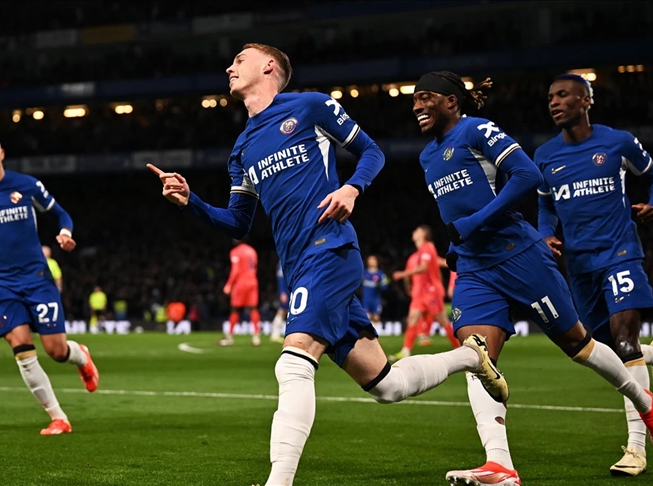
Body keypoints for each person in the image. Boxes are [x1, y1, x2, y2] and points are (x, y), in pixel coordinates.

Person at [149, 44, 508, 486]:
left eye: (239, 59)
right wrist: (191, 201)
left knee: (293, 362)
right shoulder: (242, 148)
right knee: (387, 385)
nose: (229, 67)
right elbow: (238, 223)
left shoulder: (310, 107)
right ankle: (470, 357)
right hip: (299, 265)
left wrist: (352, 188)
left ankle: (278, 482)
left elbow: (371, 152)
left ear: (268, 66)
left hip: (330, 250)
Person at [410, 70, 653, 485]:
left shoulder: (477, 130)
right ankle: (500, 464)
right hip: (476, 266)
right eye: (414, 99)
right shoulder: (427, 157)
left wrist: (476, 222)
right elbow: (456, 211)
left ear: (451, 101)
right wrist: (456, 245)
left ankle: (645, 404)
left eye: (425, 97)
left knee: (579, 345)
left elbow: (527, 175)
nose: (417, 106)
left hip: (518, 253)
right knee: (478, 358)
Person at [536, 73, 653, 476]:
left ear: (586, 100)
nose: (554, 101)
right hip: (579, 265)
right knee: (608, 350)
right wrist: (545, 234)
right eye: (551, 96)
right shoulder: (545, 155)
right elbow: (545, 206)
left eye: (563, 95)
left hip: (620, 253)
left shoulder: (618, 142)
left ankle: (637, 448)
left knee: (625, 342)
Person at [0, 132, 99, 435]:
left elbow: (61, 214)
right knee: (21, 348)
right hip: (1, 284)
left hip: (37, 278)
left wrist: (65, 232)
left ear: (2, 153)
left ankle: (80, 356)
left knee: (56, 351)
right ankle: (58, 417)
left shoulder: (27, 185)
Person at [390, 225, 460, 360]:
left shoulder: (428, 247)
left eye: (417, 231)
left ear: (423, 234)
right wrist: (409, 286)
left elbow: (424, 267)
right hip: (420, 293)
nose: (414, 232)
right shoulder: (418, 254)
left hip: (431, 292)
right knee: (412, 318)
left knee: (443, 320)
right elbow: (435, 264)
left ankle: (459, 348)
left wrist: (403, 274)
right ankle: (405, 350)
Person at [221, 239, 261, 346]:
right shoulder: (252, 250)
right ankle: (256, 337)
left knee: (235, 308)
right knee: (253, 308)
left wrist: (229, 285)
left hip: (241, 282)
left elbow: (235, 270)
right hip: (253, 281)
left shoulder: (235, 251)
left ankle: (229, 337)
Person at [361, 255, 388, 327]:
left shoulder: (380, 274)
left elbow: (385, 286)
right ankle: (369, 332)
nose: (372, 262)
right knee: (367, 317)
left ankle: (375, 331)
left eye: (373, 260)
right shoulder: (364, 273)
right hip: (366, 299)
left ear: (377, 262)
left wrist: (380, 285)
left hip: (376, 299)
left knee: (376, 317)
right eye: (370, 260)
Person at [270, 261, 290, 344]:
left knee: (283, 311)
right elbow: (281, 279)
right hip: (286, 291)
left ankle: (275, 334)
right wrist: (282, 292)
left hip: (289, 290)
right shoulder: (282, 262)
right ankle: (275, 334)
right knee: (282, 311)